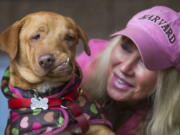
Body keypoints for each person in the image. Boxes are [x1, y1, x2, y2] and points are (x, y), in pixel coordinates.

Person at [76, 6, 180, 135]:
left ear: (167, 81)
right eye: (125, 48)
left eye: (145, 62)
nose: (125, 68)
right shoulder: (84, 66)